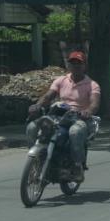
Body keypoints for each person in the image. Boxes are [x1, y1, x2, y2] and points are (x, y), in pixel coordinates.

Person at [26, 51, 100, 180]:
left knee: (75, 132)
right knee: (32, 126)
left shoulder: (92, 85)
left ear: (84, 66)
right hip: (58, 115)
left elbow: (95, 103)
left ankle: (77, 166)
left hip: (78, 118)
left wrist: (88, 111)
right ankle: (37, 159)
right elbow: (48, 96)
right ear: (68, 65)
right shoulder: (61, 80)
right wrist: (38, 106)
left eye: (79, 63)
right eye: (73, 63)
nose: (75, 66)